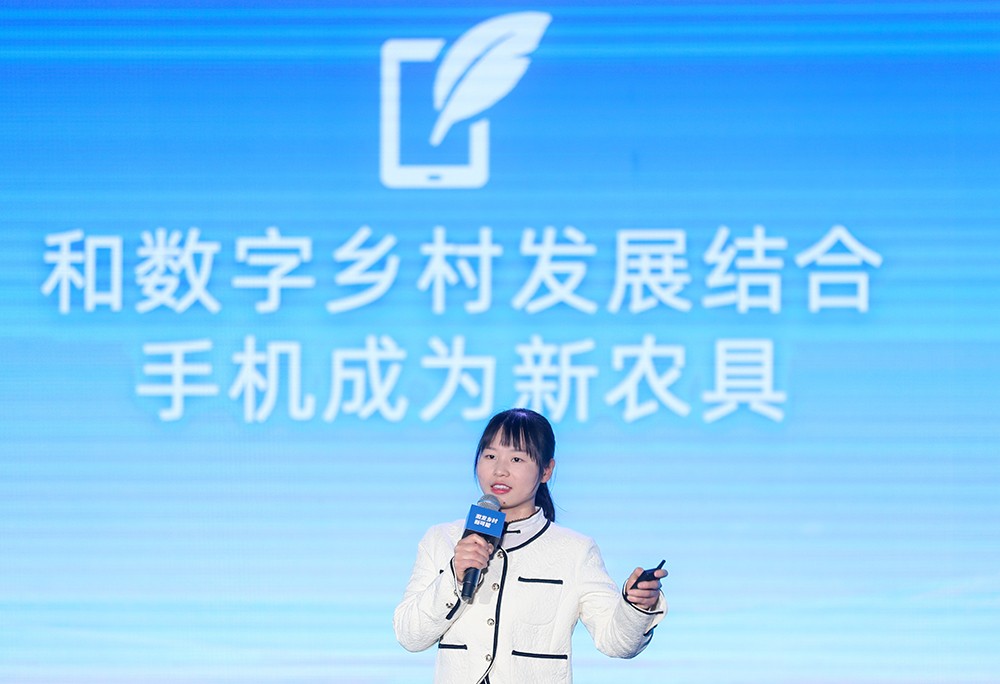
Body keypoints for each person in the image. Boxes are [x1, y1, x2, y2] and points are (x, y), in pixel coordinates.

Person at [393, 408, 667, 683]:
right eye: (490, 456)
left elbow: (617, 643)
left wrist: (636, 607)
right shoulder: (441, 539)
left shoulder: (574, 550)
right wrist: (455, 575)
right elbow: (409, 636)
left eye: (516, 459)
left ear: (546, 470)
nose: (499, 470)